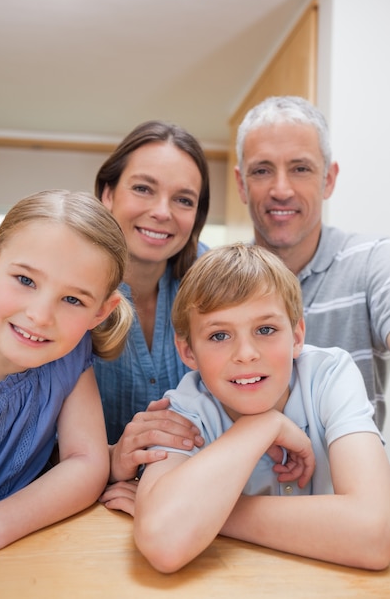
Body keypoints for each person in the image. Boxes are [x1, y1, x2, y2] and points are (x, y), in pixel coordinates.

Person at [132, 243, 390, 573]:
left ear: (297, 336)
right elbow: (163, 542)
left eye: (265, 330)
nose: (246, 353)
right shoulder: (185, 410)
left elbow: (375, 535)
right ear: (188, 352)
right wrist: (262, 425)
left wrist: (212, 515)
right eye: (219, 335)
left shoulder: (330, 376)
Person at [0, 189, 133, 590]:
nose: (41, 315)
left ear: (102, 311)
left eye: (73, 300)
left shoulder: (69, 356)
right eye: (25, 280)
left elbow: (87, 462)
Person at [234, 95, 390, 431]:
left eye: (300, 168)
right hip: (242, 485)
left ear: (328, 180)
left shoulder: (372, 261)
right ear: (241, 184)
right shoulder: (220, 281)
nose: (281, 189)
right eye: (262, 170)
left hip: (351, 483)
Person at [93, 120, 209, 484]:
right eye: (143, 188)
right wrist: (112, 459)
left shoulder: (215, 282)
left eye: (183, 200)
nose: (162, 212)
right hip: (75, 502)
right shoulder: (66, 285)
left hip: (192, 498)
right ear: (107, 194)